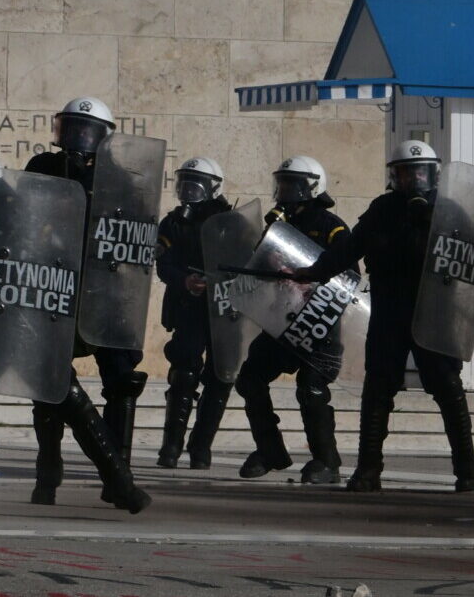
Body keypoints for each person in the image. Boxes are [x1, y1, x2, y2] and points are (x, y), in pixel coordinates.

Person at [0, 146, 150, 517]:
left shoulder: (22, 209)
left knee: (72, 400)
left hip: (29, 323)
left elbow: (53, 261)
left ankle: (120, 482)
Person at [290, 141, 474, 493]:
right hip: (390, 309)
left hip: (433, 311)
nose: (413, 179)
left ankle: (467, 471)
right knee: (378, 388)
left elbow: (469, 261)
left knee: (447, 386)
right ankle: (367, 471)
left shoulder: (450, 211)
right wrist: (314, 272)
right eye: (405, 172)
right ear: (395, 175)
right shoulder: (382, 209)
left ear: (433, 174)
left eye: (419, 172)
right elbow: (349, 249)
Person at [23, 96, 149, 502]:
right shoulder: (42, 167)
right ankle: (48, 468)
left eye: (87, 130)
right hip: (55, 285)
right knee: (49, 382)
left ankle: (118, 471)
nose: (77, 138)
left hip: (104, 291)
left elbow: (139, 232)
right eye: (72, 128)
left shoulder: (121, 178)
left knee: (122, 377)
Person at [235, 155, 351, 484]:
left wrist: (311, 279)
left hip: (318, 322)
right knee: (250, 379)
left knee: (311, 389)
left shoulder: (333, 226)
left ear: (313, 187)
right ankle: (270, 449)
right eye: (282, 183)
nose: (285, 191)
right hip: (281, 321)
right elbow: (259, 265)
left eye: (293, 184)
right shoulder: (277, 227)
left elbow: (348, 274)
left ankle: (327, 461)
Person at [151, 157, 234, 469]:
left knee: (220, 375)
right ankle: (170, 448)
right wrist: (184, 280)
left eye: (195, 183)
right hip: (188, 307)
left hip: (224, 311)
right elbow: (164, 263)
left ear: (213, 188)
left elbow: (247, 262)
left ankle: (201, 448)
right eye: (184, 182)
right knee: (184, 373)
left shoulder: (231, 221)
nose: (188, 190)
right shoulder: (172, 223)